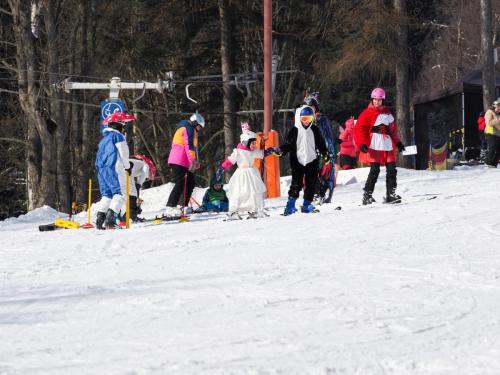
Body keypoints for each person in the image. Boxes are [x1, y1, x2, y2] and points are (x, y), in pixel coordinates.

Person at [354, 87, 405, 205]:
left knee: (392, 170)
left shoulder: (387, 114)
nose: (377, 102)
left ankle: (390, 194)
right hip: (374, 144)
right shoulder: (367, 113)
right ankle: (367, 195)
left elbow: (392, 131)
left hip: (387, 144)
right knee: (374, 170)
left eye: (379, 100)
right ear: (372, 100)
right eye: (375, 100)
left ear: (383, 101)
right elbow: (359, 129)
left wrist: (398, 143)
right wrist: (361, 143)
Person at [273, 105, 328, 215]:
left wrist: (325, 154)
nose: (306, 121)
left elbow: (321, 144)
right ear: (300, 119)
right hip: (297, 161)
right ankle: (290, 205)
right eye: (304, 119)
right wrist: (281, 150)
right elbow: (288, 145)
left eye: (308, 119)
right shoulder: (295, 130)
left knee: (311, 183)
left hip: (312, 160)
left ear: (312, 119)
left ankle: (307, 204)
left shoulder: (315, 130)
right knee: (296, 183)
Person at [95, 111, 136, 229]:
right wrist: (128, 167)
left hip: (101, 170)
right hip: (114, 168)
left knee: (107, 194)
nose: (124, 129)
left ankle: (100, 218)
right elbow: (124, 154)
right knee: (120, 193)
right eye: (123, 126)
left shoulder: (103, 140)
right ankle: (110, 219)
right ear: (118, 125)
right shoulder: (118, 136)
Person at [215, 130, 268, 219]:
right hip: (241, 174)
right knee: (237, 192)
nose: (255, 145)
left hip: (252, 174)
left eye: (255, 143)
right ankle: (233, 212)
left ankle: (256, 210)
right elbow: (230, 161)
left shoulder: (253, 151)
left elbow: (262, 153)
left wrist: (272, 150)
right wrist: (221, 168)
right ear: (246, 142)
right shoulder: (238, 152)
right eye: (253, 143)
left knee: (254, 192)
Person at [164, 112, 205, 217]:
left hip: (184, 161)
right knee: (180, 183)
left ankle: (182, 206)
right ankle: (170, 207)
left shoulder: (190, 129)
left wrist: (195, 161)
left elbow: (193, 148)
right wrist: (193, 160)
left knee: (190, 182)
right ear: (195, 123)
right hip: (178, 159)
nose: (200, 129)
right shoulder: (188, 128)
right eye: (200, 126)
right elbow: (189, 145)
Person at [304, 92, 336, 204]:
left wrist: (329, 149)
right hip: (309, 151)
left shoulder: (321, 119)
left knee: (324, 173)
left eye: (312, 107)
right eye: (308, 107)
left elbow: (329, 136)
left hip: (322, 150)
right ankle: (314, 194)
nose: (310, 110)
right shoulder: (303, 120)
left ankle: (321, 194)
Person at [120, 154, 156, 222]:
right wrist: (139, 184)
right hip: (125, 171)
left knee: (124, 194)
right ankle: (131, 215)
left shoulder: (138, 165)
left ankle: (122, 214)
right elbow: (144, 173)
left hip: (120, 170)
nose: (148, 177)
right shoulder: (146, 165)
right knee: (132, 193)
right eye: (150, 176)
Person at [484, 100, 500, 168]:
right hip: (491, 132)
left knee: (499, 149)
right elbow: (489, 123)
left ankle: (494, 164)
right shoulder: (489, 112)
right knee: (493, 147)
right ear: (494, 107)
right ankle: (488, 162)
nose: (499, 110)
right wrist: (498, 120)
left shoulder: (498, 114)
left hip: (498, 133)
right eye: (498, 108)